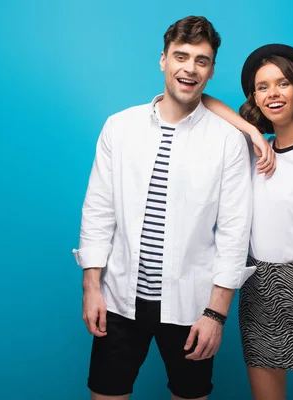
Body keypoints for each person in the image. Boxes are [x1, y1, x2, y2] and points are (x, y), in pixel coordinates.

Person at [72, 16, 275, 400]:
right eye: (181, 56)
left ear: (212, 71)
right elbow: (98, 210)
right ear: (163, 60)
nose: (190, 68)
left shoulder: (228, 142)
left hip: (191, 307)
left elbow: (235, 232)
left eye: (202, 60)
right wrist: (91, 287)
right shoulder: (119, 127)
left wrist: (216, 314)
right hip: (118, 299)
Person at [203, 44, 293, 400]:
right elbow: (203, 100)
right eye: (263, 86)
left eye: (282, 83)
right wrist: (253, 133)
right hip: (256, 289)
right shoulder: (251, 153)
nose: (273, 93)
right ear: (254, 97)